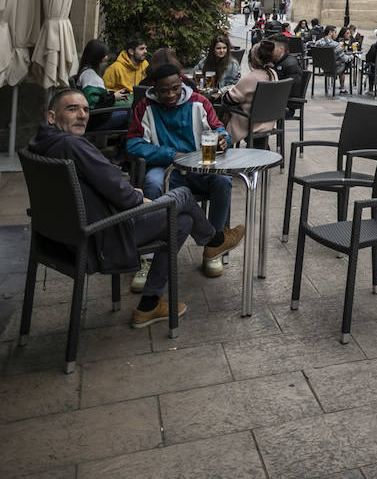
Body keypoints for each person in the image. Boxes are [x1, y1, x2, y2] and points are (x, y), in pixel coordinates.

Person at [30, 87, 245, 327]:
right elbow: (113, 185)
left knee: (182, 221)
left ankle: (149, 304)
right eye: (72, 109)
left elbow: (100, 182)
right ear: (51, 116)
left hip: (68, 236)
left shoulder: (39, 145)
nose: (82, 115)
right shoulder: (72, 145)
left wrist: (129, 192)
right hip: (104, 236)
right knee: (183, 196)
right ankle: (213, 241)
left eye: (85, 109)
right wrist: (136, 198)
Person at [127, 64, 238, 279]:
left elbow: (219, 129)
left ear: (181, 84)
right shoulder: (145, 107)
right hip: (165, 167)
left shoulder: (200, 102)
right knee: (152, 183)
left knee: (223, 180)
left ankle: (211, 250)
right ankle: (148, 256)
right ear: (154, 89)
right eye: (164, 90)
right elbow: (133, 144)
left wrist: (224, 139)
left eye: (175, 88)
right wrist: (170, 154)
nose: (171, 94)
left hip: (199, 166)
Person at [222, 39, 281, 143]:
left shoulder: (252, 78)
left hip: (251, 122)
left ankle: (223, 143)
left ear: (253, 58)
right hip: (269, 120)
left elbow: (229, 99)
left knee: (220, 111)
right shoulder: (272, 73)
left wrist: (228, 90)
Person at [76, 39, 131, 132]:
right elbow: (93, 102)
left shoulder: (86, 72)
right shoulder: (90, 75)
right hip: (97, 120)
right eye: (104, 55)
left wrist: (113, 94)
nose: (106, 57)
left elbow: (97, 95)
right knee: (134, 114)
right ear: (96, 56)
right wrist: (113, 97)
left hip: (98, 117)